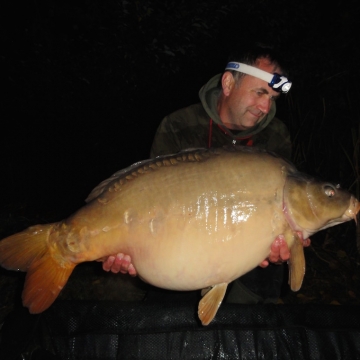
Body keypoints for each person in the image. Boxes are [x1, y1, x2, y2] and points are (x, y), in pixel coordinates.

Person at [102, 43, 310, 304]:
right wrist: (124, 248)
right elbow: (148, 200)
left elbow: (278, 212)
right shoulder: (179, 125)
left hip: (247, 260)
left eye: (272, 98)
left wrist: (282, 246)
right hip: (181, 250)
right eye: (259, 93)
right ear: (227, 83)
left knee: (264, 285)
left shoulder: (276, 135)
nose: (265, 107)